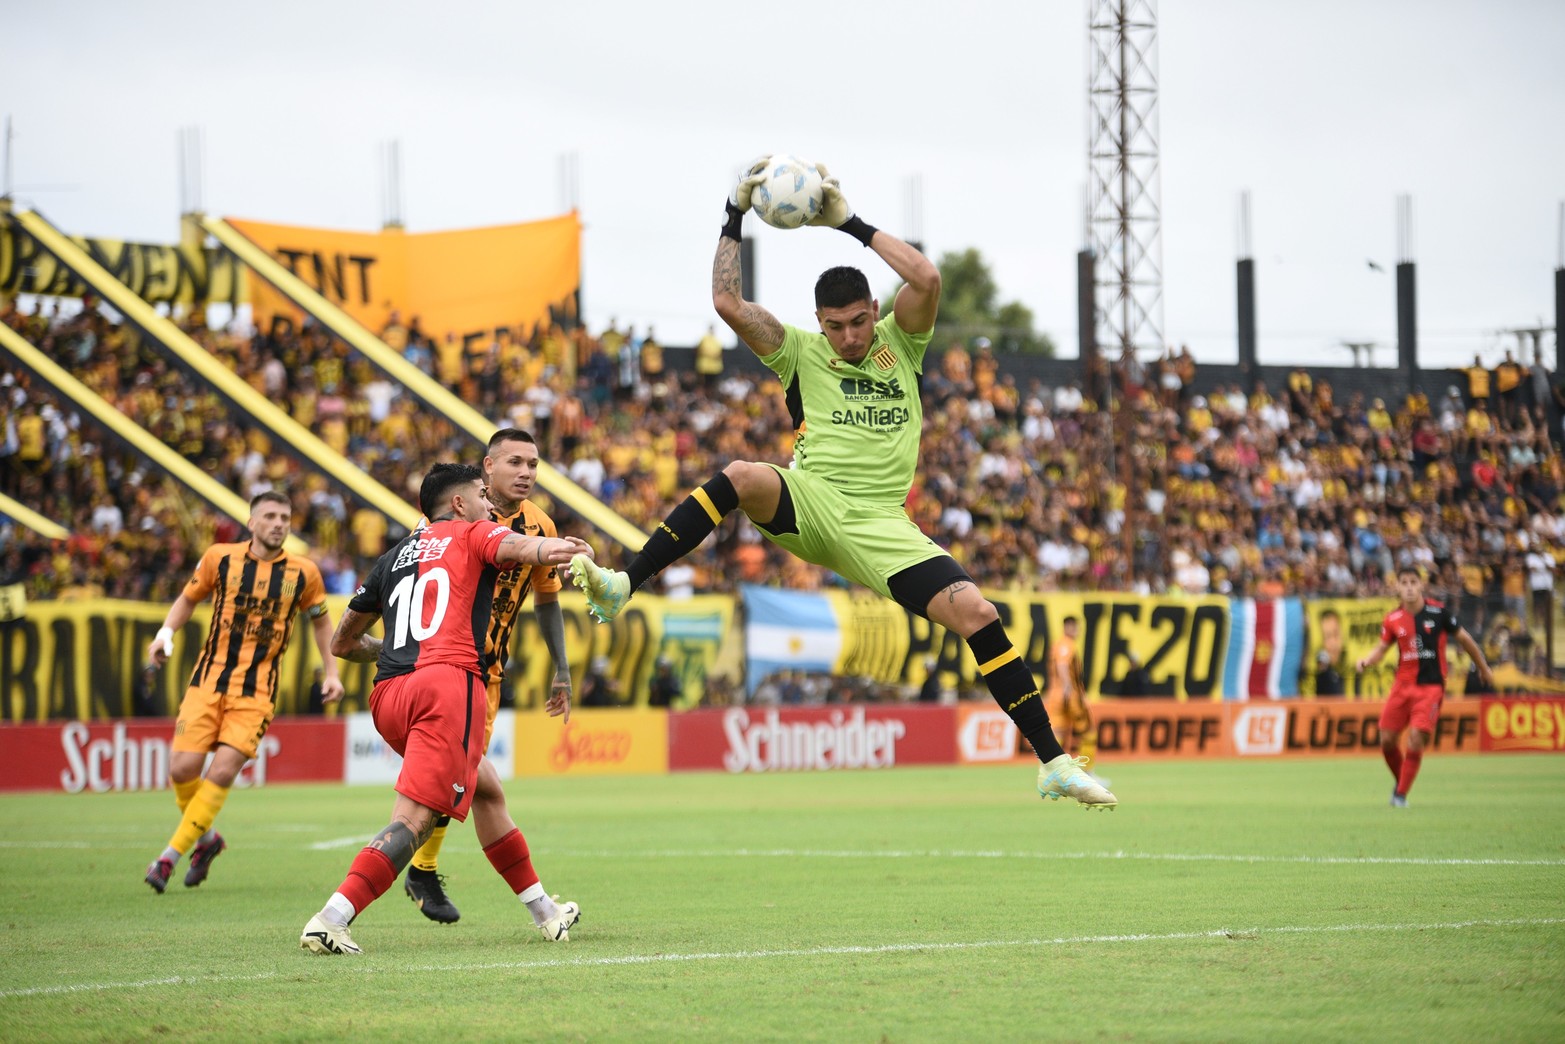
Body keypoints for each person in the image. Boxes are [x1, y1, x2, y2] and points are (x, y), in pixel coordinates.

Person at [569, 159, 1115, 809]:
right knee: (742, 474)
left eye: (858, 321)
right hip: (814, 502)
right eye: (836, 326)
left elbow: (928, 276)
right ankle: (624, 581)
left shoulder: (901, 343)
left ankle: (1051, 761)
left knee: (977, 614)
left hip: (883, 525)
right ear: (819, 322)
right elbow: (725, 303)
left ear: (873, 310)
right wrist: (733, 213)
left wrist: (848, 223)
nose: (849, 337)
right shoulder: (798, 350)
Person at [300, 463, 592, 955]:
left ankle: (546, 912)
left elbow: (342, 642)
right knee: (414, 821)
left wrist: (392, 647)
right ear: (458, 504)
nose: (489, 504)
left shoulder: (395, 555)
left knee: (488, 790)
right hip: (447, 689)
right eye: (482, 494)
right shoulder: (474, 532)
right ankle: (332, 916)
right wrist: (560, 548)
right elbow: (521, 547)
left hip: (390, 694)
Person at [401, 429, 577, 925]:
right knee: (460, 779)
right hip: (438, 668)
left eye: (534, 464)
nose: (526, 473)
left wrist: (561, 669)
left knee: (466, 780)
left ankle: (419, 870)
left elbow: (547, 601)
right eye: (516, 462)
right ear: (487, 468)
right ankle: (415, 869)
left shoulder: (540, 526)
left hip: (487, 674)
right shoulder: (443, 521)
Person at [143, 490, 344, 893]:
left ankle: (168, 857)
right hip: (207, 680)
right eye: (269, 516)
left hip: (257, 693)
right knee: (182, 770)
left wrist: (332, 671)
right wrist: (165, 634)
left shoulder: (305, 573)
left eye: (285, 517)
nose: (278, 524)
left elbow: (321, 623)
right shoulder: (220, 558)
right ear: (251, 523)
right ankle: (207, 840)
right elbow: (188, 598)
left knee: (220, 771)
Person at [1356, 567, 1494, 808]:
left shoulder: (1439, 612)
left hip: (1430, 688)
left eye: (1413, 582)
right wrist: (1367, 660)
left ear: (1421, 586)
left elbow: (1466, 639)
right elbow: (1381, 648)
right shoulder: (1392, 619)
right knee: (1386, 740)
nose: (1409, 587)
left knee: (1416, 738)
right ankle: (1402, 784)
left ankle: (1399, 797)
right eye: (1404, 583)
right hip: (1402, 686)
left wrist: (1483, 668)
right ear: (1397, 587)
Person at [1049, 616, 1095, 763]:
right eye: (1073, 627)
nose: (1076, 630)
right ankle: (1088, 773)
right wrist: (1068, 688)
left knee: (1057, 734)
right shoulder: (1067, 645)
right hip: (1070, 694)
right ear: (1067, 627)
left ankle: (1052, 772)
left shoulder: (1057, 644)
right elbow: (1062, 665)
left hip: (1055, 694)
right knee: (1088, 733)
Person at [1313, 609, 1347, 696]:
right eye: (1327, 637)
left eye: (1336, 634)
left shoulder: (1345, 667)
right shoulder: (1324, 675)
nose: (1333, 643)